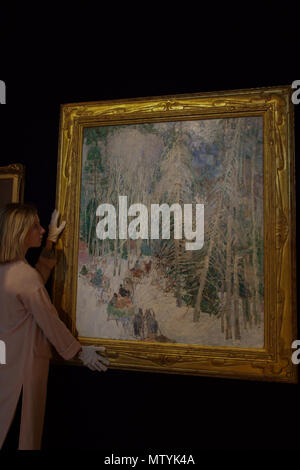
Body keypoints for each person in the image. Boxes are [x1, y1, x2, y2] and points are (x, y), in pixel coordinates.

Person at [0, 203, 110, 450]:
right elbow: (49, 320)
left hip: (4, 364)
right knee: (22, 434)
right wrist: (80, 351)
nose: (41, 230)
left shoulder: (8, 271)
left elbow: (31, 283)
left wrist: (49, 243)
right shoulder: (24, 277)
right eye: (36, 227)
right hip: (23, 368)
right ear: (20, 233)